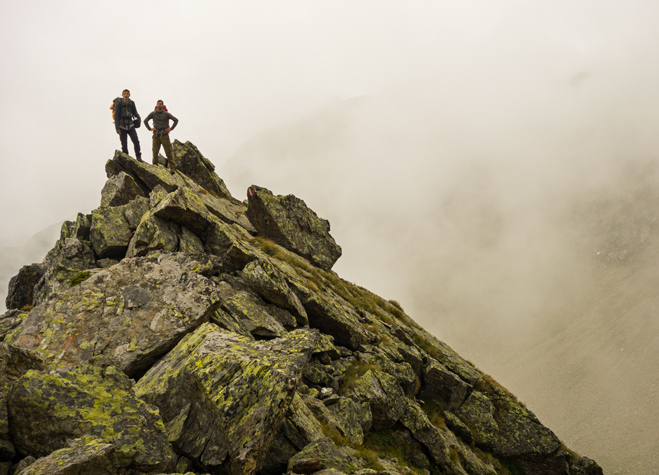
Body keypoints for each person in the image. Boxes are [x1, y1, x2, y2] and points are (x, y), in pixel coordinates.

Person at [144, 100, 179, 172]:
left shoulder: (166, 114)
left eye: (160, 104)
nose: (159, 105)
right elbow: (145, 121)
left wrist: (171, 129)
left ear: (163, 105)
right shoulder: (153, 113)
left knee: (168, 152)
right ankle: (155, 166)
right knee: (155, 152)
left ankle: (172, 168)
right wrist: (150, 128)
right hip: (156, 135)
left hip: (164, 135)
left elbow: (176, 120)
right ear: (156, 105)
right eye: (158, 104)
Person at [114, 89, 142, 161]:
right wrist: (117, 128)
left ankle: (138, 157)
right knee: (124, 144)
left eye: (127, 94)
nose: (126, 95)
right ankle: (126, 157)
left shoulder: (132, 103)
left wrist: (138, 117)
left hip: (130, 124)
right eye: (124, 93)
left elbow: (135, 112)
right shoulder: (118, 104)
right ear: (122, 95)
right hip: (121, 126)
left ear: (129, 95)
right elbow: (116, 116)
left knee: (136, 141)